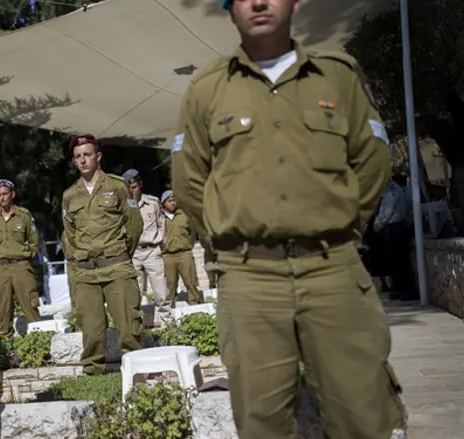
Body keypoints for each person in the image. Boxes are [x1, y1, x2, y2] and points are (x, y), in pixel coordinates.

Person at [171, 0, 407, 437]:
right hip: (250, 280)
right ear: (230, 10)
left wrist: (340, 224)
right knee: (262, 423)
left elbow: (373, 158)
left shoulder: (337, 76)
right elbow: (188, 180)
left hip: (332, 271)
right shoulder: (208, 88)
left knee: (362, 414)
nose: (259, 2)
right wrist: (231, 237)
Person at [62, 134, 144, 375]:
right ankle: (93, 373)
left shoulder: (118, 186)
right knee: (91, 330)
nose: (82, 160)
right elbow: (70, 234)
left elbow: (134, 225)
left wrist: (120, 253)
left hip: (117, 266)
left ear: (98, 156)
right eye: (78, 156)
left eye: (87, 154)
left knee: (129, 327)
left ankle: (139, 371)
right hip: (86, 272)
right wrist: (80, 259)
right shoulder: (70, 195)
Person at [0, 179, 41, 337]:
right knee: (3, 307)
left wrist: (25, 257)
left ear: (13, 194)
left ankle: (39, 338)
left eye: (5, 194)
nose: (2, 198)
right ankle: (5, 340)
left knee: (29, 304)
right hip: (1, 268)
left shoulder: (23, 215)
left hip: (21, 266)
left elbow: (34, 241)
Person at [122, 169, 168, 313]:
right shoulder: (122, 207)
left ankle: (167, 323)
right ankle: (138, 325)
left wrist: (161, 243)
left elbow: (161, 223)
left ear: (140, 184)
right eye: (128, 188)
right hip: (133, 253)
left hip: (152, 251)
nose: (131, 191)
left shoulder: (152, 203)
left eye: (134, 187)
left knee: (162, 293)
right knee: (134, 295)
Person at [374, 174, 417, 301]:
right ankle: (404, 290)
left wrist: (377, 225)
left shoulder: (391, 191)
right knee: (400, 261)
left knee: (398, 261)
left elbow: (386, 212)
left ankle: (406, 290)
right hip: (399, 226)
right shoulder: (397, 190)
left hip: (393, 227)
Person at [159, 190, 201, 304]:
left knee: (191, 281)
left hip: (184, 253)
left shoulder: (184, 215)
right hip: (167, 255)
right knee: (170, 284)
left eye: (174, 200)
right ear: (163, 203)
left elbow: (192, 232)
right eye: (169, 201)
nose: (172, 203)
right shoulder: (159, 217)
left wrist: (189, 245)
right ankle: (171, 307)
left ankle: (195, 304)